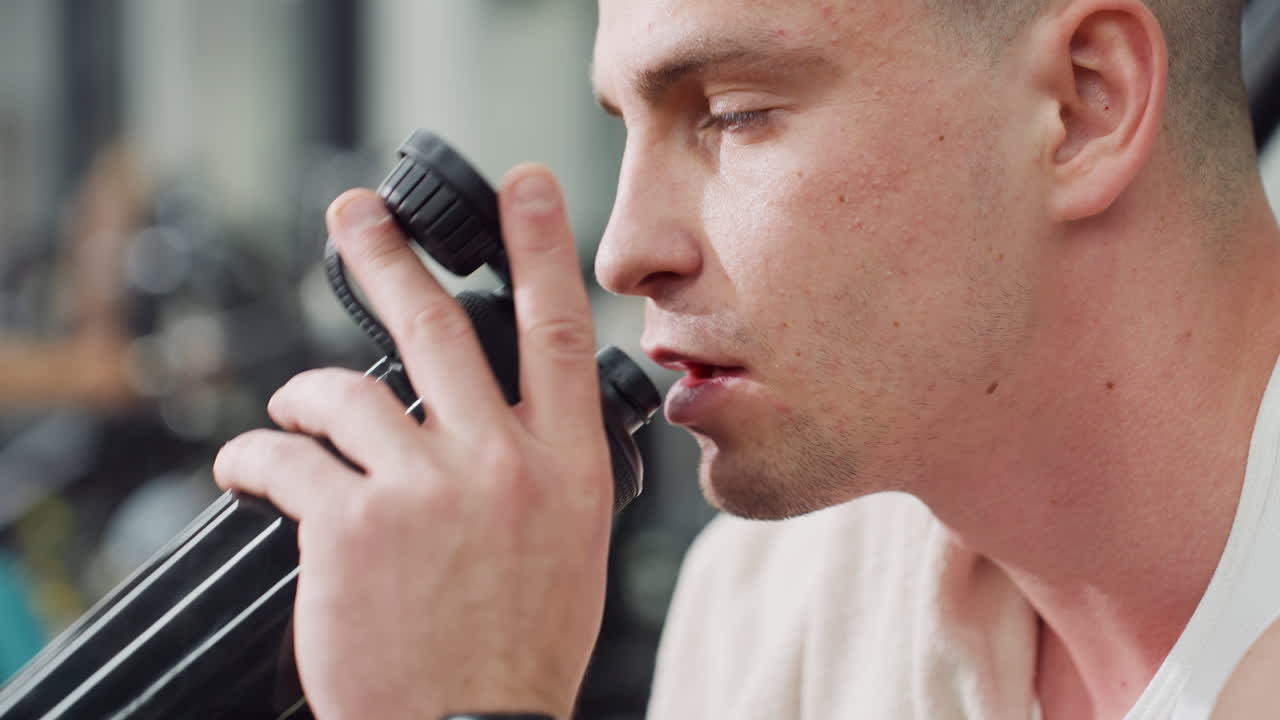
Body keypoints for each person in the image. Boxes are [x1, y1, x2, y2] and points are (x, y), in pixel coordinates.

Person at [212, 0, 1280, 717]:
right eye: (623, 127)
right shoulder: (766, 606)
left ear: (1082, 103)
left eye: (733, 115)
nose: (623, 250)